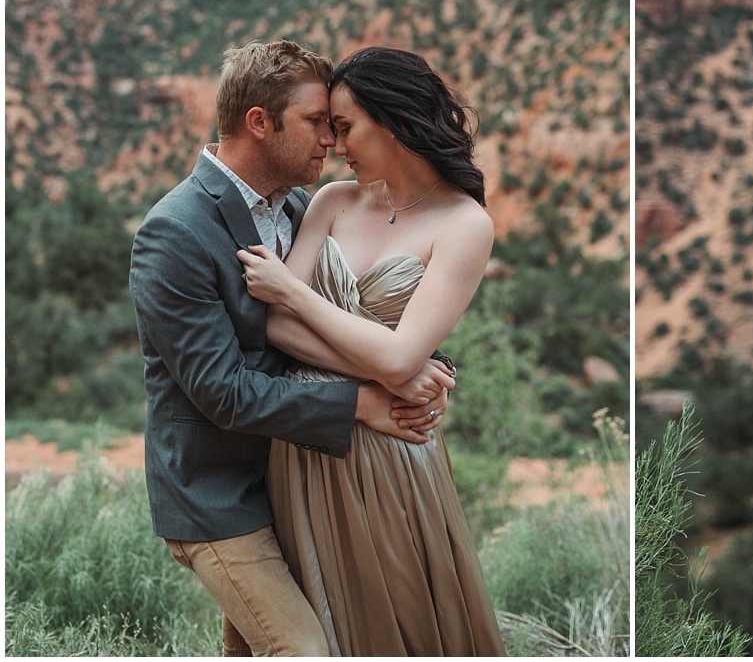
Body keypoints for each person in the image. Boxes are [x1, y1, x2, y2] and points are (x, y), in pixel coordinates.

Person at [132, 40, 451, 656]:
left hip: (303, 485)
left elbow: (342, 323)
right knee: (304, 651)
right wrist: (363, 402)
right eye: (314, 123)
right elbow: (224, 392)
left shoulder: (306, 208)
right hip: (220, 495)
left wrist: (420, 368)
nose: (329, 141)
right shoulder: (173, 232)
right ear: (259, 122)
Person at [236, 46, 505, 655]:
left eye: (345, 125)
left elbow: (391, 356)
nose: (333, 142)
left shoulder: (464, 225)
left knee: (399, 616)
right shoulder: (333, 201)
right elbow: (276, 330)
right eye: (328, 125)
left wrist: (296, 296)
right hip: (304, 445)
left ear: (396, 122)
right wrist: (392, 365)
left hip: (391, 451)